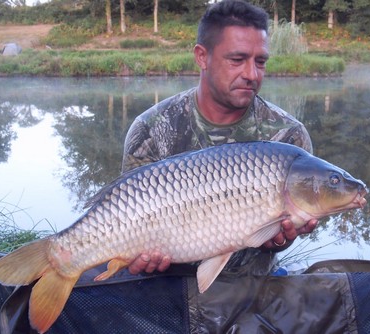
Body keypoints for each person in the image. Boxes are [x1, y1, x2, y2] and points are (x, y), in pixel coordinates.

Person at [122, 0, 317, 277]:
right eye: (237, 60)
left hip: (252, 289)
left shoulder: (288, 136)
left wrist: (279, 242)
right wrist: (138, 258)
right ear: (202, 56)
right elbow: (128, 217)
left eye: (260, 62)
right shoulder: (151, 128)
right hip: (167, 288)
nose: (251, 74)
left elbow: (281, 236)